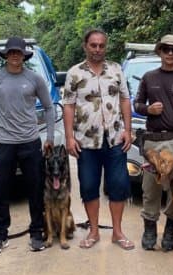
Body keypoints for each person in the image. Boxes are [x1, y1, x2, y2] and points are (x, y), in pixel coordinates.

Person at [0, 37, 54, 255]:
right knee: (2, 191)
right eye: (11, 52)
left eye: (19, 52)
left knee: (35, 189)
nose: (15, 56)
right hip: (4, 143)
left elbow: (49, 108)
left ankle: (36, 232)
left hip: (31, 141)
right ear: (5, 55)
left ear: (24, 55)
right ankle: (0, 235)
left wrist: (49, 136)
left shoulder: (34, 79)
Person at [63, 29, 134, 250]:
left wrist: (128, 130)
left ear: (106, 46)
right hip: (86, 141)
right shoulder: (75, 73)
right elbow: (69, 105)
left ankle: (117, 232)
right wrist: (69, 137)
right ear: (85, 46)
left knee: (118, 185)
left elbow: (124, 99)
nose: (97, 49)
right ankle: (93, 232)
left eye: (101, 45)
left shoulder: (116, 70)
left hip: (114, 138)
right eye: (93, 45)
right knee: (89, 186)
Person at [134, 34, 173, 251]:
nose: (170, 53)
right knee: (150, 186)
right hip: (153, 140)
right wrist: (147, 109)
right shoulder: (148, 77)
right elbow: (137, 104)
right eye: (166, 49)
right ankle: (150, 227)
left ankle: (171, 228)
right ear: (159, 52)